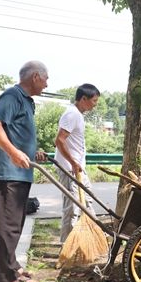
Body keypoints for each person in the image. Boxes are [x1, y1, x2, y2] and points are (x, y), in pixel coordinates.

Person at [0, 60, 49, 282]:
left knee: (15, 223)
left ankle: (12, 266)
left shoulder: (26, 101)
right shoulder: (12, 96)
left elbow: (17, 132)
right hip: (7, 172)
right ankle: (5, 277)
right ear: (35, 77)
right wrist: (13, 153)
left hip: (20, 172)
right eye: (45, 78)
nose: (46, 83)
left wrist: (34, 151)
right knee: (6, 225)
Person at [54, 83, 100, 243]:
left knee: (87, 202)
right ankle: (66, 248)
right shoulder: (72, 114)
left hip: (78, 169)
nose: (95, 105)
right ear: (83, 99)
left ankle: (93, 241)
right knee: (72, 209)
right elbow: (59, 141)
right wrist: (73, 162)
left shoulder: (77, 114)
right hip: (70, 169)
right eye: (94, 101)